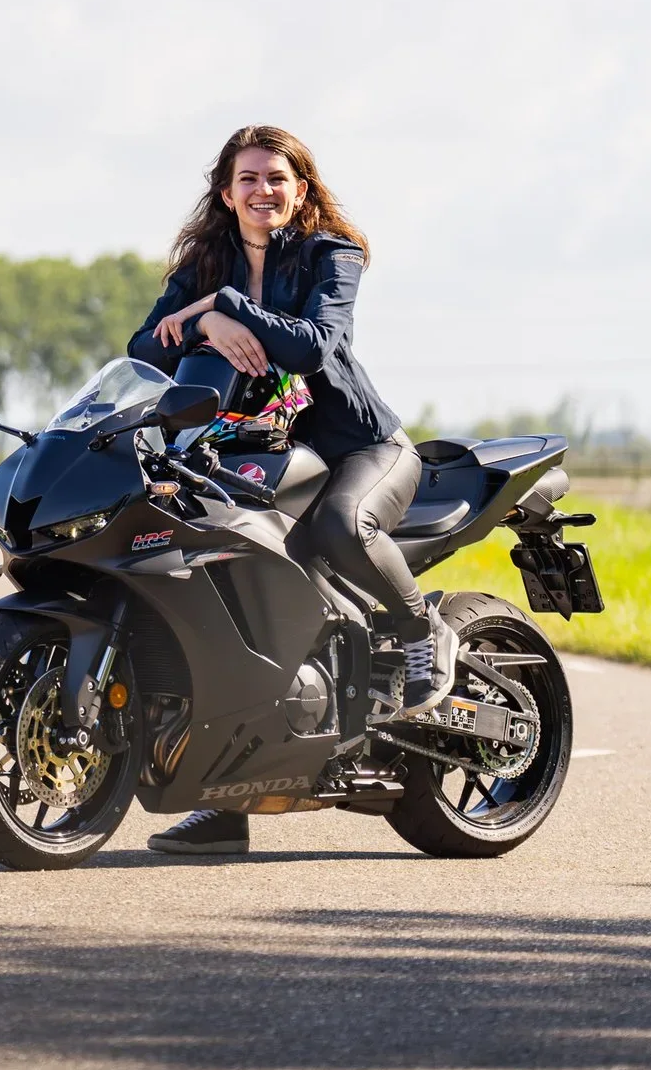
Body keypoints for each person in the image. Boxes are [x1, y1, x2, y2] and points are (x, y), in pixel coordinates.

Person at [122, 124, 456, 857]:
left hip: (359, 448)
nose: (262, 190)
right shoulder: (206, 260)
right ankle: (224, 798)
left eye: (277, 177)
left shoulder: (332, 254)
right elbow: (144, 348)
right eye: (248, 178)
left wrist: (222, 311)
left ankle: (418, 630)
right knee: (221, 593)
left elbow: (314, 344)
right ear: (225, 190)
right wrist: (204, 310)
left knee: (342, 526)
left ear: (300, 188)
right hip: (259, 454)